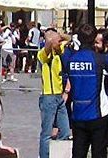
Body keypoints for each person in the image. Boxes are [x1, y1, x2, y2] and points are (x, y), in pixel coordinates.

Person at [65, 23, 108, 158]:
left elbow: (66, 81)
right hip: (97, 114)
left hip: (78, 113)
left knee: (78, 153)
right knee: (99, 153)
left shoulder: (71, 59)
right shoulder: (100, 59)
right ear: (94, 39)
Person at [38, 28, 71, 158]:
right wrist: (51, 40)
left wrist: (59, 35)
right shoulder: (43, 54)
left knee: (65, 130)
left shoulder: (59, 52)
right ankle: (44, 156)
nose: (60, 43)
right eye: (58, 41)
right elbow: (46, 49)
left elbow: (69, 39)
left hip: (59, 96)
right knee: (47, 133)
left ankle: (59, 155)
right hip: (48, 97)